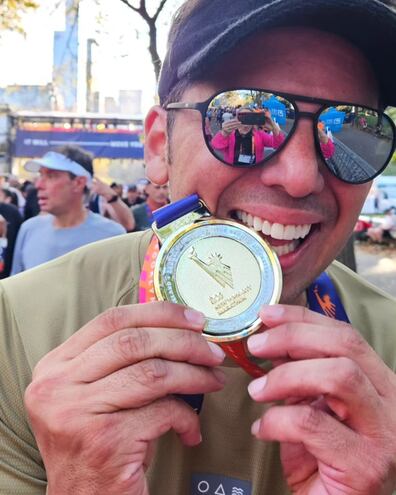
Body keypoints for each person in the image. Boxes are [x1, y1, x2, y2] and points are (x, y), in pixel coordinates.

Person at [1, 1, 396, 494]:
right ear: (158, 144)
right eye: (246, 122)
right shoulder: (17, 326)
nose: (300, 178)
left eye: (354, 132)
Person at [11, 146, 126, 274]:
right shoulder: (29, 229)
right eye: (41, 175)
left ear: (78, 183)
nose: (38, 185)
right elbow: (13, 290)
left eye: (51, 176)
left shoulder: (112, 236)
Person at [211, 107, 285, 165]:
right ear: (237, 118)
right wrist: (224, 133)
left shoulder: (260, 134)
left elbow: (278, 146)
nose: (246, 119)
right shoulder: (230, 133)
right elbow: (216, 147)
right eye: (242, 116)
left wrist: (274, 129)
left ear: (253, 119)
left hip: (253, 172)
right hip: (232, 170)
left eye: (249, 116)